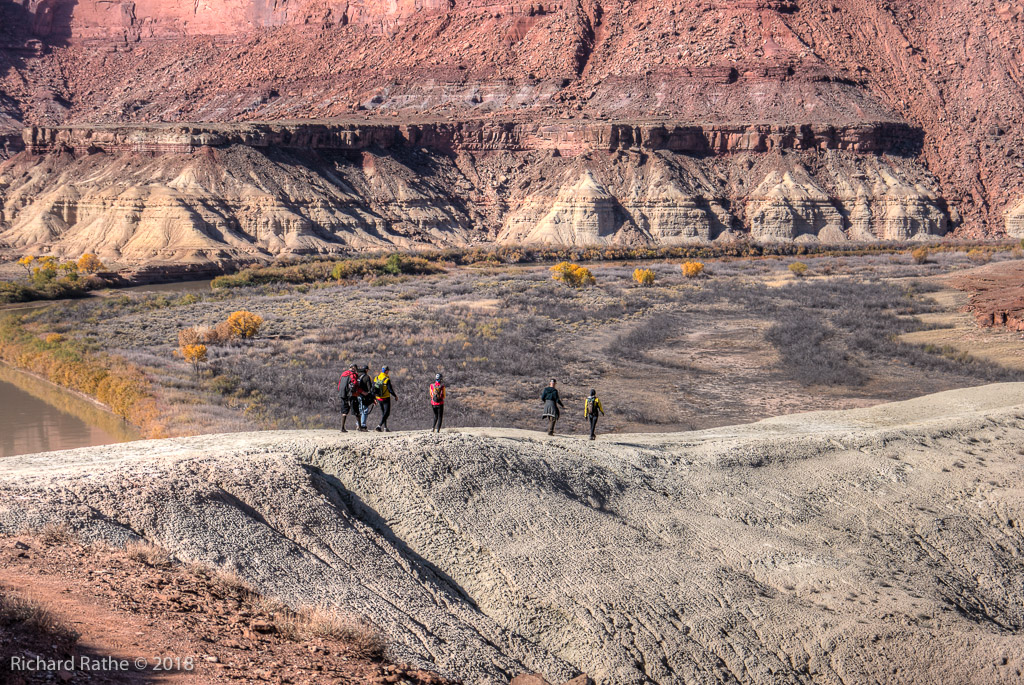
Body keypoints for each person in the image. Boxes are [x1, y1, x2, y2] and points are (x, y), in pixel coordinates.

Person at [373, 365, 398, 432]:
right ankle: (379, 425)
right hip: (386, 398)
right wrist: (395, 396)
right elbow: (390, 389)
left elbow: (373, 389)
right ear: (386, 371)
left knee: (383, 413)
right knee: (387, 413)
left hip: (378, 398)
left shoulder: (377, 378)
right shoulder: (386, 379)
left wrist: (374, 398)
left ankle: (385, 428)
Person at [337, 364, 359, 432]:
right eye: (355, 368)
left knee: (344, 411)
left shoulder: (343, 374)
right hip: (351, 394)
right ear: (353, 368)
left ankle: (342, 428)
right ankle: (360, 427)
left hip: (342, 394)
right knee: (356, 411)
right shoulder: (353, 374)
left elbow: (339, 384)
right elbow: (354, 383)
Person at [357, 365, 374, 431]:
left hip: (357, 395)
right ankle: (363, 425)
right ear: (366, 370)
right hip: (364, 396)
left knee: (360, 410)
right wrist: (372, 397)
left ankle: (358, 424)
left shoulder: (358, 376)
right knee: (365, 410)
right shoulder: (366, 377)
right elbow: (370, 388)